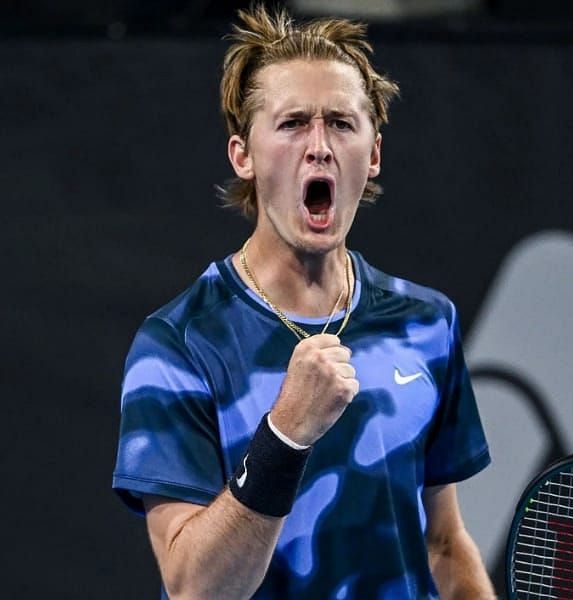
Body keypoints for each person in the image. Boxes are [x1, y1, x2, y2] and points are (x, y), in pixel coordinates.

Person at [111, 5, 493, 598]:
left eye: (341, 123)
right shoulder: (176, 344)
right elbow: (193, 588)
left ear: (373, 155)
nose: (319, 147)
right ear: (243, 154)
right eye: (292, 124)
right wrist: (285, 435)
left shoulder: (427, 324)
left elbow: (442, 543)